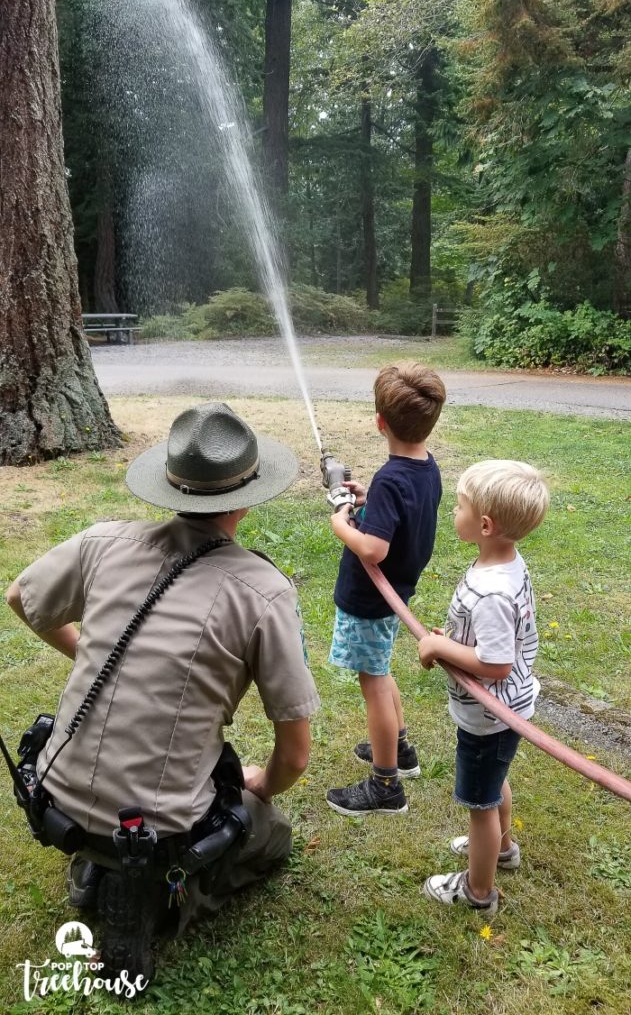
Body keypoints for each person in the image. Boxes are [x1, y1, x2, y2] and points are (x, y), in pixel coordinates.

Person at [6, 402, 320, 976]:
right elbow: (294, 754)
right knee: (269, 832)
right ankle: (158, 896)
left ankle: (97, 863)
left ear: (169, 485)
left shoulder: (101, 542)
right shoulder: (265, 591)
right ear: (247, 495)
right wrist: (260, 784)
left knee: (125, 822)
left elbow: (21, 600)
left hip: (53, 794)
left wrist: (91, 652)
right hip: (164, 827)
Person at [418, 459, 549, 914]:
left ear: (485, 525)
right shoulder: (505, 564)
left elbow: (494, 663)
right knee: (495, 786)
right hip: (505, 710)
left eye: (459, 507)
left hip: (489, 714)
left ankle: (478, 892)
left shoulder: (493, 591)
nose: (453, 513)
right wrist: (454, 640)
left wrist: (440, 648)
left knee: (479, 804)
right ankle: (503, 851)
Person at [325, 362, 446, 816]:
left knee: (372, 680)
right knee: (380, 667)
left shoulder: (392, 477)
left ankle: (385, 785)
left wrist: (342, 524)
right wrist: (368, 501)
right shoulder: (425, 467)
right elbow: (401, 511)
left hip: (371, 596)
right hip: (396, 591)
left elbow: (373, 549)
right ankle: (400, 748)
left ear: (380, 422)